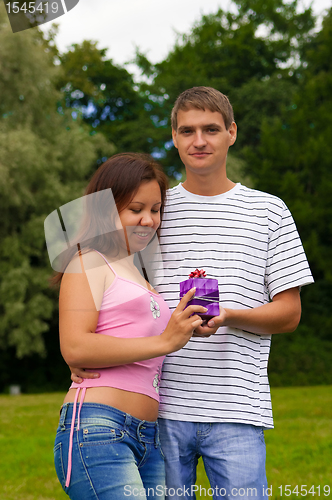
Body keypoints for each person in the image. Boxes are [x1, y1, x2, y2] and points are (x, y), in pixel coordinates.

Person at [70, 88, 314, 499]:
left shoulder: (270, 210)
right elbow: (114, 298)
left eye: (211, 129)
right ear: (174, 136)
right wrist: (83, 357)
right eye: (187, 130)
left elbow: (289, 314)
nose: (198, 140)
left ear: (231, 133)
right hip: (158, 409)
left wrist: (230, 316)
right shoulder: (152, 210)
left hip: (237, 408)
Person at [51, 152, 208, 500]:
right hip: (99, 429)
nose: (148, 220)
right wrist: (165, 341)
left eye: (155, 209)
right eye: (135, 209)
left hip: (148, 437)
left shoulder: (138, 272)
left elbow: (128, 336)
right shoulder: (88, 261)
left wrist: (186, 326)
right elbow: (75, 347)